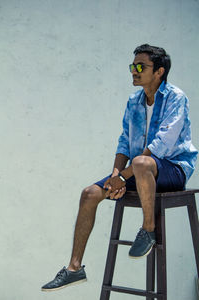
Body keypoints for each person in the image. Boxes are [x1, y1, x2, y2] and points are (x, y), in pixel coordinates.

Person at [41, 44, 198, 292]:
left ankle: (148, 229)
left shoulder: (176, 97)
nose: (134, 71)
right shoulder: (134, 101)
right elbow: (125, 140)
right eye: (132, 66)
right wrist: (116, 175)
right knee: (89, 194)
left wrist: (124, 177)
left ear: (159, 71)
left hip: (173, 169)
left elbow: (161, 145)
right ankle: (74, 268)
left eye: (140, 67)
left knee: (141, 162)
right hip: (139, 170)